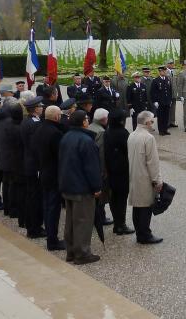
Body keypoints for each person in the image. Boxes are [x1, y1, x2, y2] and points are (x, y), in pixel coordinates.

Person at [59, 110, 102, 265]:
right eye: (86, 119)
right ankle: (82, 253)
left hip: (68, 184)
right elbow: (92, 167)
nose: (88, 120)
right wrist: (96, 187)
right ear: (83, 122)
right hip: (81, 187)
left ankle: (70, 251)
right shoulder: (86, 141)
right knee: (83, 221)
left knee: (70, 221)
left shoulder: (66, 137)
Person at [128, 110, 164, 244]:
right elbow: (153, 162)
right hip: (145, 177)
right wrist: (157, 180)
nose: (153, 124)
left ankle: (140, 232)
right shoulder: (148, 138)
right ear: (147, 122)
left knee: (137, 206)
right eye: (152, 121)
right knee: (146, 207)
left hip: (134, 174)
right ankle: (145, 234)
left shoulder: (131, 135)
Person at [35, 106, 67, 250]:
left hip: (44, 172)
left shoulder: (40, 128)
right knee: (53, 208)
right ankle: (52, 240)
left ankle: (50, 236)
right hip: (54, 174)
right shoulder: (55, 133)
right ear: (56, 117)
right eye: (60, 115)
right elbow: (60, 155)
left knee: (48, 206)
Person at [105, 108, 134, 235]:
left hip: (111, 169)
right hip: (122, 171)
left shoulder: (108, 131)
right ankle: (120, 224)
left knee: (114, 198)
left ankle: (117, 223)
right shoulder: (123, 133)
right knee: (121, 199)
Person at [21, 96, 46, 239]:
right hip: (34, 165)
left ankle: (33, 226)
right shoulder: (34, 124)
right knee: (35, 197)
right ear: (35, 109)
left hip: (30, 163)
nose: (42, 108)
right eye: (40, 106)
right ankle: (34, 228)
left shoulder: (29, 121)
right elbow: (36, 147)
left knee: (32, 195)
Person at [0, 99, 18, 219]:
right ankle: (12, 210)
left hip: (2, 156)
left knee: (6, 183)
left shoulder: (0, 118)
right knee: (12, 184)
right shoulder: (10, 121)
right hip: (10, 157)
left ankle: (7, 208)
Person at [89, 108, 112, 226]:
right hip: (98, 169)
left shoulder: (90, 127)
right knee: (101, 196)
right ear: (104, 119)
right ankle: (100, 218)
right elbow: (101, 154)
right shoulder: (101, 132)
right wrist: (104, 171)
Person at [150, 65, 173, 136]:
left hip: (167, 101)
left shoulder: (167, 79)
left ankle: (165, 129)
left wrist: (170, 99)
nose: (163, 72)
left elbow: (169, 90)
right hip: (160, 102)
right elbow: (152, 92)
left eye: (164, 71)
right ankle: (161, 130)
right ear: (159, 72)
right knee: (160, 117)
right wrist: (155, 101)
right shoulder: (155, 80)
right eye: (162, 71)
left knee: (166, 116)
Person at [166, 59, 178, 128]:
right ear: (167, 64)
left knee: (173, 108)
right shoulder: (166, 72)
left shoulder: (174, 71)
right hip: (168, 93)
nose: (171, 64)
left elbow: (176, 82)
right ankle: (167, 122)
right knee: (168, 108)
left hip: (174, 92)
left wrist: (177, 92)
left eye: (172, 63)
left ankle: (172, 122)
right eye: (170, 63)